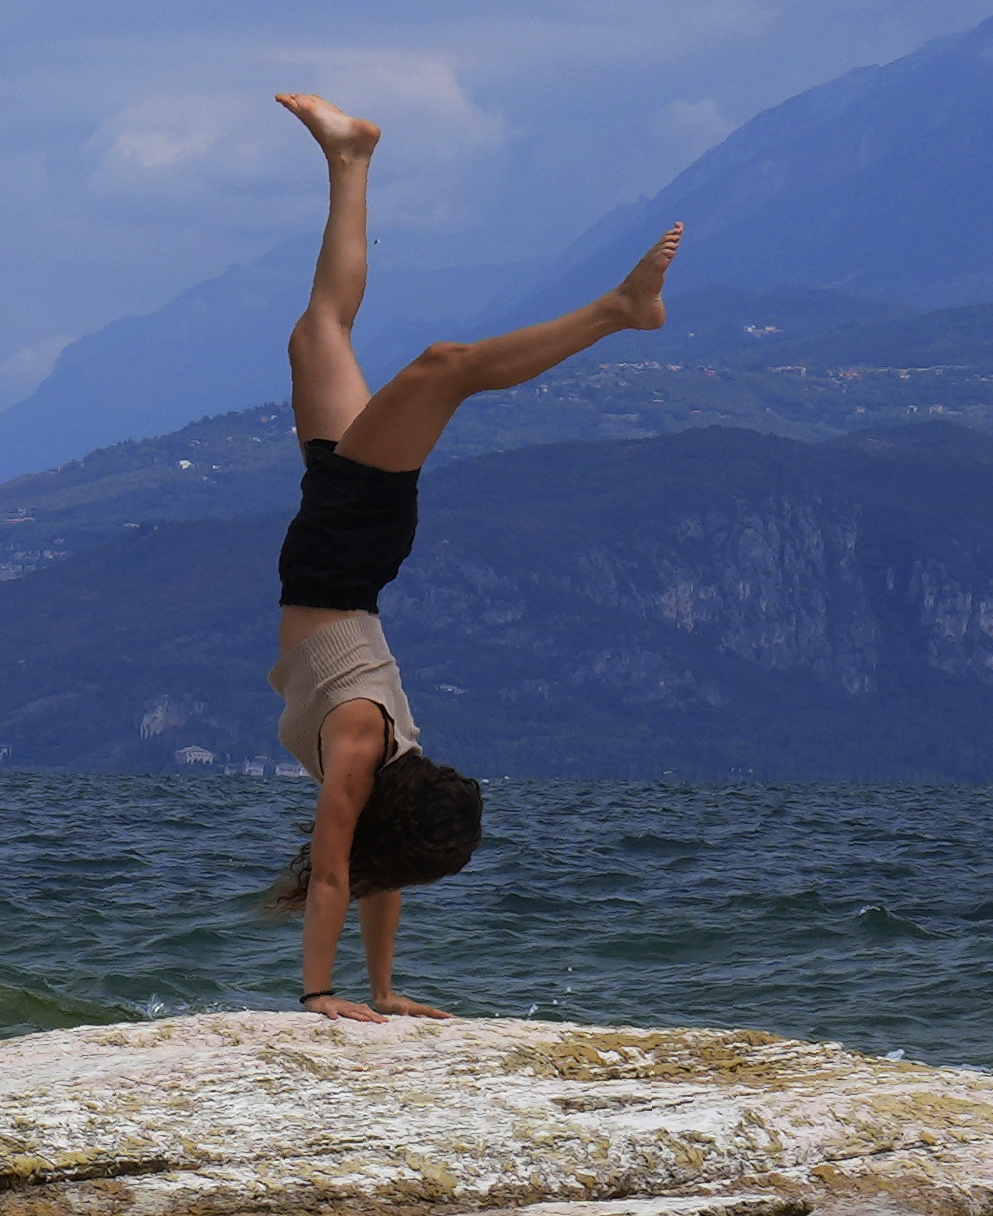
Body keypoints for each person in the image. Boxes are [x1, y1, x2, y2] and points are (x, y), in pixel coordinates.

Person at [265, 93, 684, 1022]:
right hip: (343, 559)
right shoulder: (367, 747)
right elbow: (339, 869)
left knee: (319, 331)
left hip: (336, 556)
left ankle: (351, 156)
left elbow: (354, 871)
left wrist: (359, 995)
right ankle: (621, 309)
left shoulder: (367, 760)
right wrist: (325, 991)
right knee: (440, 367)